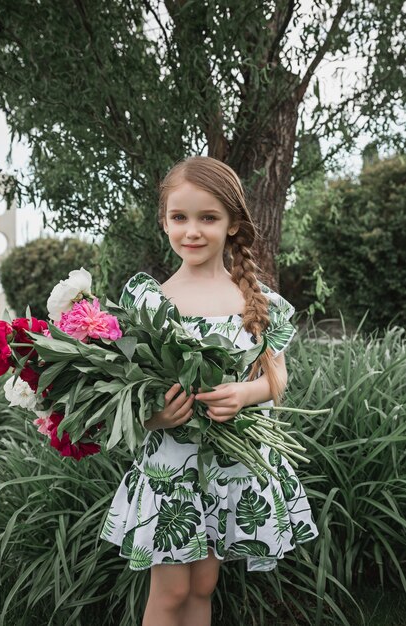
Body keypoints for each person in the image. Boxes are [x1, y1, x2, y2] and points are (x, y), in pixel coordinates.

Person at [100, 155, 318, 626]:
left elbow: (277, 377)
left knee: (202, 585)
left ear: (233, 225)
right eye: (179, 217)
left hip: (230, 462)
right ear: (164, 222)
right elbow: (126, 390)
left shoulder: (255, 299)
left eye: (208, 218)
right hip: (171, 462)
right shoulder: (149, 302)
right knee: (172, 589)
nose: (192, 231)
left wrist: (245, 394)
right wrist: (155, 417)